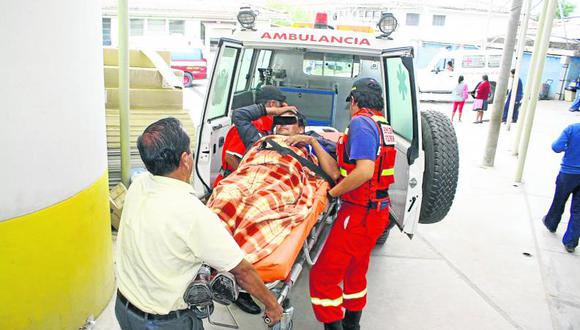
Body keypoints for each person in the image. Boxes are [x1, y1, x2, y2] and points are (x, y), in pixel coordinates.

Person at [115, 118, 283, 329]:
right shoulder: (193, 213)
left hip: (123, 308)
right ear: (185, 159)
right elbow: (243, 271)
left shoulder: (138, 185)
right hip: (165, 323)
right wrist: (273, 305)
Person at [309, 78, 396, 330]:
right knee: (354, 272)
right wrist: (313, 143)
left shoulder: (360, 123)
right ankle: (352, 326)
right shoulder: (383, 125)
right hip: (375, 212)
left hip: (358, 212)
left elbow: (364, 171)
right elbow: (345, 170)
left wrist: (332, 194)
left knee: (323, 277)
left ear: (355, 101)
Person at [213, 86, 284, 187]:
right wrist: (249, 179)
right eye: (281, 106)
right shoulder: (252, 124)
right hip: (231, 183)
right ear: (272, 104)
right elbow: (230, 157)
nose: (282, 110)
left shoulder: (267, 126)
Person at [542, 122, 580, 253]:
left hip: (568, 173)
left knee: (559, 200)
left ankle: (551, 223)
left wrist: (568, 147)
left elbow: (556, 147)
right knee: (578, 211)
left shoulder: (573, 129)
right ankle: (571, 242)